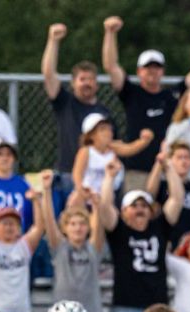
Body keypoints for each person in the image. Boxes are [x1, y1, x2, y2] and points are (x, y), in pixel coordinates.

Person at [102, 16, 190, 192]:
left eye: (156, 67)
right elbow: (111, 66)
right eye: (148, 67)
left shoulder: (171, 95)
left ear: (162, 71)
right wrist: (110, 33)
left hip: (168, 170)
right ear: (139, 71)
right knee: (136, 212)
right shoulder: (131, 93)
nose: (152, 71)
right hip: (138, 170)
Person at [99, 159, 182, 312]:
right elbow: (104, 206)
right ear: (124, 211)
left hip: (157, 308)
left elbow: (177, 199)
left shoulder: (159, 227)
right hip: (126, 306)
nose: (140, 209)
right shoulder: (118, 230)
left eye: (144, 206)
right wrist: (109, 177)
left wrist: (168, 168)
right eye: (134, 206)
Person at [42, 23, 111, 208]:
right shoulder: (65, 103)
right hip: (67, 174)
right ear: (73, 83)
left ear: (97, 84)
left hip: (95, 178)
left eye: (90, 79)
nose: (86, 83)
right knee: (67, 227)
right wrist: (53, 41)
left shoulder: (104, 113)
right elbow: (49, 74)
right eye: (82, 79)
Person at [40, 170, 107, 312]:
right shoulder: (59, 247)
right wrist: (46, 190)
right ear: (65, 228)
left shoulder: (93, 249)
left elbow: (98, 224)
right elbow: (49, 221)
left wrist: (96, 205)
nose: (78, 228)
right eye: (73, 224)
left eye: (82, 224)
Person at [0, 188, 46, 312]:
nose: (9, 227)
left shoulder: (24, 247)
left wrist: (36, 202)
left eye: (13, 223)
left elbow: (39, 227)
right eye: (4, 223)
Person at [146, 143, 190, 253]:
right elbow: (150, 194)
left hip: (188, 248)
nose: (184, 161)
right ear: (171, 160)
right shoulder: (162, 185)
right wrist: (160, 162)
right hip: (165, 242)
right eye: (179, 157)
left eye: (187, 157)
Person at [71, 113, 153, 197]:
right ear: (91, 135)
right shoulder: (86, 151)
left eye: (109, 129)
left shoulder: (113, 147)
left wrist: (144, 141)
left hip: (111, 196)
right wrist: (80, 189)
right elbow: (77, 173)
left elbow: (130, 149)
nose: (108, 132)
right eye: (102, 129)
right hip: (89, 195)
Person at [0, 138, 33, 229]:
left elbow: (30, 218)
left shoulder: (24, 184)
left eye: (9, 154)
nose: (4, 158)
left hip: (18, 237)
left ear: (14, 159)